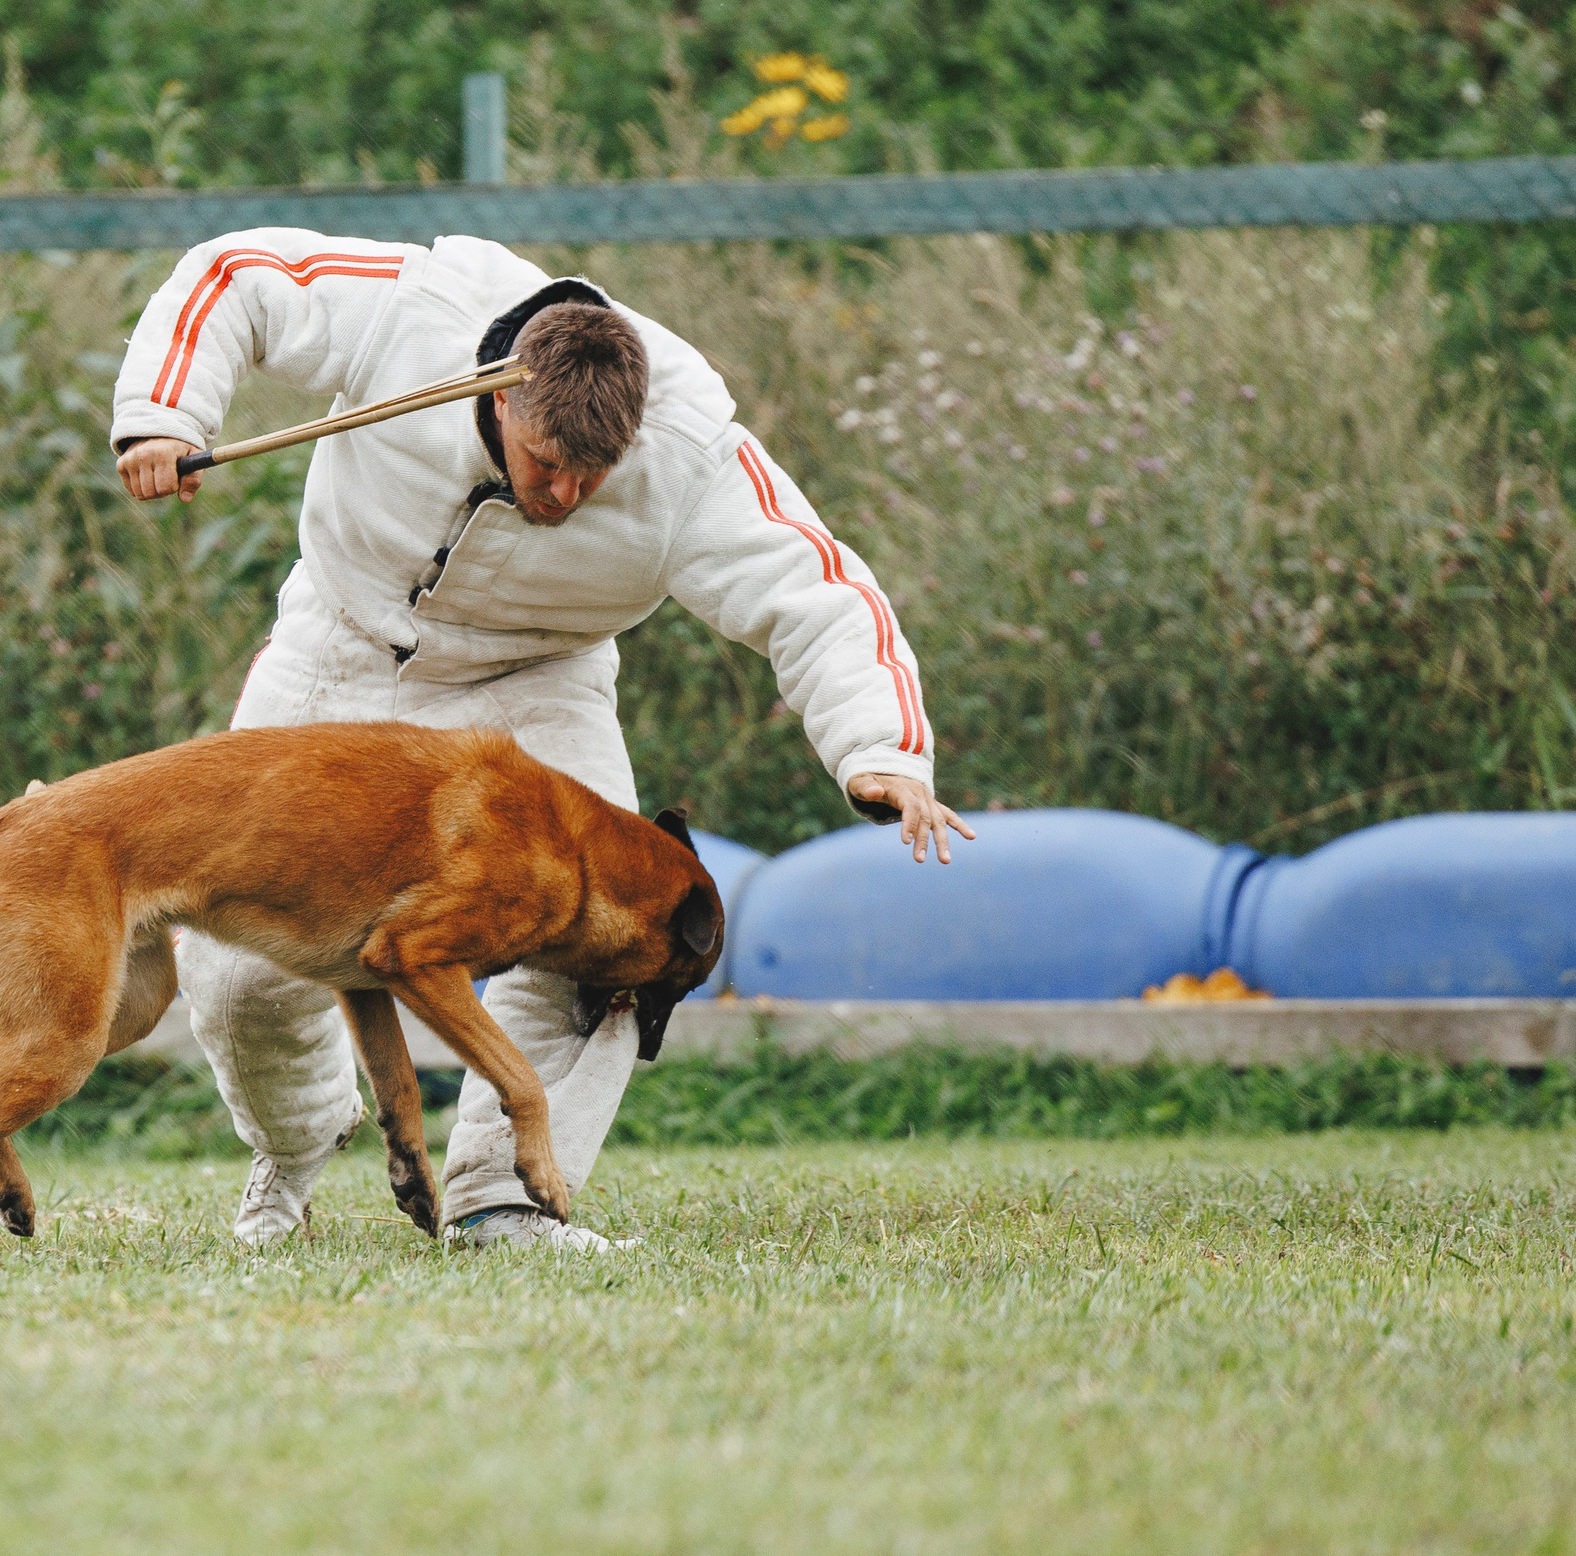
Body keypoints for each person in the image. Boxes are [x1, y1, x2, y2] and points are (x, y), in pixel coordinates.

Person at [111, 228, 970, 1251]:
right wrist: (163, 416)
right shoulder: (412, 309)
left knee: (624, 935)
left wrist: (880, 750)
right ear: (504, 396)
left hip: (538, 682)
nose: (563, 496)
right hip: (337, 652)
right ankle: (298, 1142)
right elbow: (238, 276)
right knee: (242, 969)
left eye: (594, 474)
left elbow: (818, 594)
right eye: (548, 464)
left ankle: (504, 1200)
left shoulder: (692, 451)